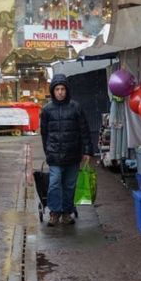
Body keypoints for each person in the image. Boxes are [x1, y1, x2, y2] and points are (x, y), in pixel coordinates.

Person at [40, 73, 93, 227]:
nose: (60, 92)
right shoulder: (47, 110)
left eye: (63, 89)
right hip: (55, 156)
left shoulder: (75, 107)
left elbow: (84, 130)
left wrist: (88, 151)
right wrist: (48, 152)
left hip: (73, 155)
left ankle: (66, 212)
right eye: (57, 89)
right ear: (53, 91)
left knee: (70, 186)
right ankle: (55, 212)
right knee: (55, 183)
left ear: (67, 90)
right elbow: (44, 134)